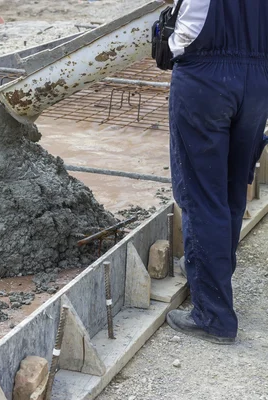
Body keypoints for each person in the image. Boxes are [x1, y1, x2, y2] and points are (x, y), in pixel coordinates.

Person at [165, 0, 268, 344]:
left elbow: (183, 24)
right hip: (256, 79)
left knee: (201, 196)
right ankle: (207, 269)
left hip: (205, 77)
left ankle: (213, 317)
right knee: (231, 188)